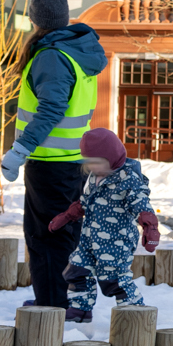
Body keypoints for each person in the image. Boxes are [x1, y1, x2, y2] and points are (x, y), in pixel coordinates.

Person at [0, 0, 107, 312]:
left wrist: (19, 150)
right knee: (65, 234)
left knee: (46, 237)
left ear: (34, 19)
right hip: (71, 162)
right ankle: (61, 300)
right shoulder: (75, 51)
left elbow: (52, 109)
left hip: (50, 164)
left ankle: (53, 306)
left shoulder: (52, 55)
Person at [49, 128, 160, 326]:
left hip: (116, 241)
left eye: (98, 162)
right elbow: (87, 201)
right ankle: (80, 310)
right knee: (76, 271)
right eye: (89, 161)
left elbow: (140, 204)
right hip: (90, 238)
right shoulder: (95, 176)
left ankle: (135, 315)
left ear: (113, 157)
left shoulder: (128, 179)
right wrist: (67, 216)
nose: (93, 166)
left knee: (113, 280)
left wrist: (150, 226)